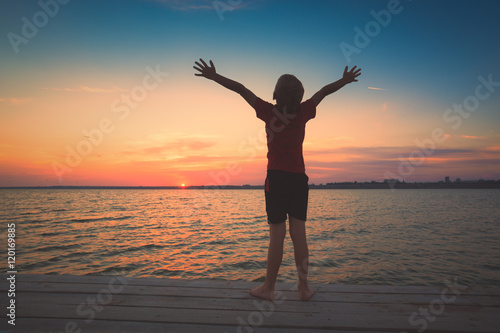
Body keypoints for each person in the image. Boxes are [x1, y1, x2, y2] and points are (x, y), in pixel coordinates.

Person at [193, 59, 361, 301]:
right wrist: (344, 81)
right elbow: (324, 91)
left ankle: (269, 288)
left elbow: (241, 89)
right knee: (299, 234)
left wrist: (214, 76)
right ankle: (303, 288)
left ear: (276, 94)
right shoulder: (304, 112)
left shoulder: (268, 111)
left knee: (277, 235)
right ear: (298, 96)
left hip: (277, 180)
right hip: (298, 180)